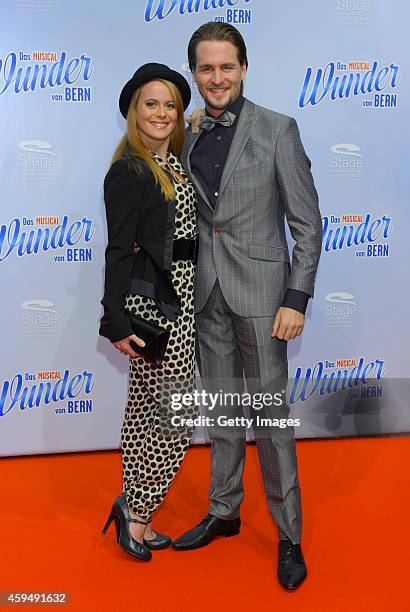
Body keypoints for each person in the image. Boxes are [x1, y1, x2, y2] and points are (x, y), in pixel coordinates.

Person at [172, 23, 322, 591]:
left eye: (226, 67)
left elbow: (307, 226)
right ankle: (225, 510)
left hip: (264, 299)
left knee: (270, 423)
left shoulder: (278, 129)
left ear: (244, 67)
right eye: (206, 68)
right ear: (195, 72)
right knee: (224, 414)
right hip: (206, 294)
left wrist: (296, 297)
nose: (217, 78)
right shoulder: (184, 135)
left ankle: (289, 536)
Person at [99, 63, 197, 562]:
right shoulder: (131, 169)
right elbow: (119, 250)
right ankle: (138, 514)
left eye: (170, 105)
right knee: (175, 415)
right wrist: (113, 319)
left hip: (183, 300)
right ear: (133, 110)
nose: (161, 112)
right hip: (160, 308)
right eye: (150, 103)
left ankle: (132, 506)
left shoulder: (172, 161)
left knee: (144, 410)